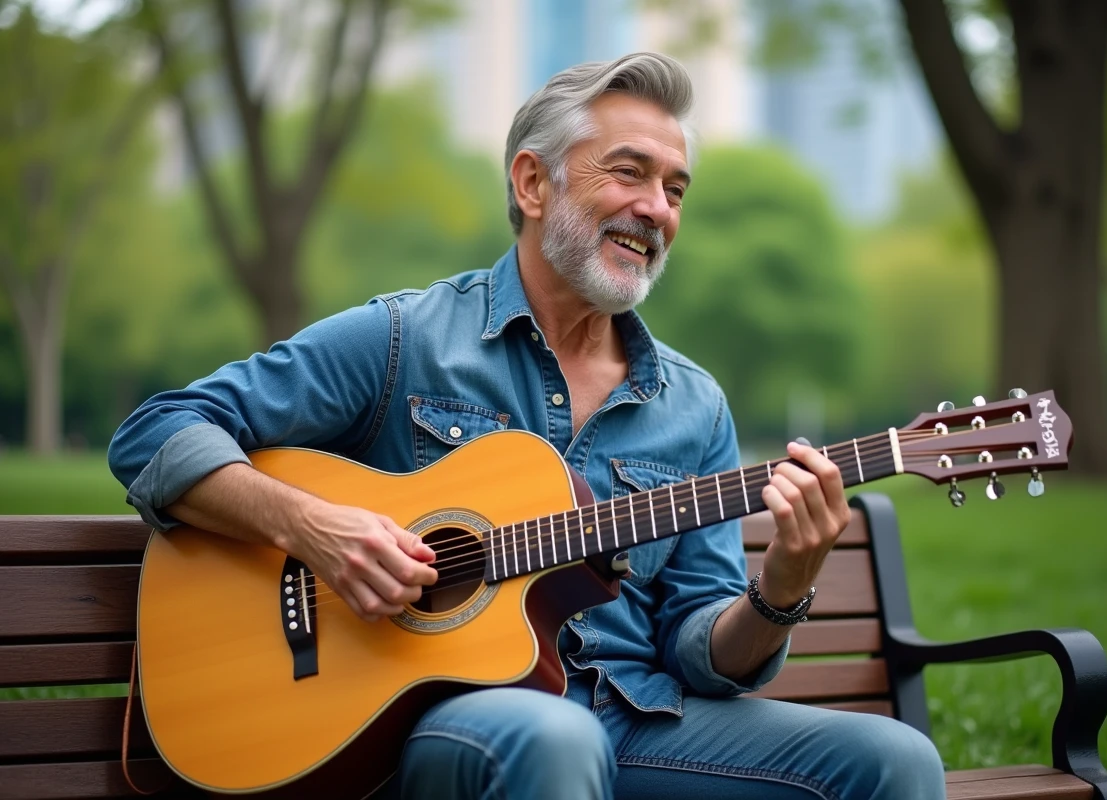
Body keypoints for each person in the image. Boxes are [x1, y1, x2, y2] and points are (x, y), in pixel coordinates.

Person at [109, 52, 945, 800]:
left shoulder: (695, 406)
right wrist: (317, 529)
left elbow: (701, 653)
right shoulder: (404, 338)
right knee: (555, 737)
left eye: (676, 189)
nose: (657, 209)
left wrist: (783, 588)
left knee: (896, 761)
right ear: (533, 184)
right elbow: (157, 432)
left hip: (636, 722)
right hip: (439, 723)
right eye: (630, 173)